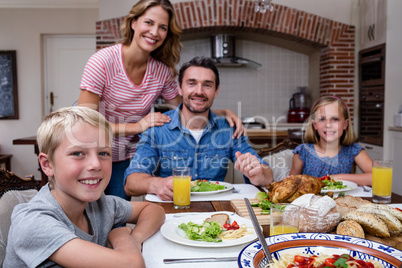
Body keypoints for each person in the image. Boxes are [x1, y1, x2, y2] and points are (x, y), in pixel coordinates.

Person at [78, 0, 244, 200]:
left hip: (124, 157)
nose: (154, 32)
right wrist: (137, 127)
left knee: (116, 221)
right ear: (133, 23)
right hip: (90, 154)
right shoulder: (102, 61)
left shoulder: (161, 72)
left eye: (162, 27)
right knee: (82, 218)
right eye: (148, 23)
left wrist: (223, 114)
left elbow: (187, 109)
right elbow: (85, 122)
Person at [3, 106, 165, 267]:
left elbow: (153, 210)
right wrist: (120, 235)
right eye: (78, 153)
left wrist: (134, 239)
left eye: (103, 153)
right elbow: (132, 264)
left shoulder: (99, 205)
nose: (95, 164)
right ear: (47, 165)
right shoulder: (35, 223)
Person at [124, 56, 274, 201]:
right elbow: (131, 183)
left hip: (217, 211)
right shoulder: (157, 129)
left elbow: (267, 177)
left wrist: (259, 173)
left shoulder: (228, 129)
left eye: (207, 85)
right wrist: (156, 184)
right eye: (191, 83)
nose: (199, 91)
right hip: (171, 210)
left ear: (216, 91)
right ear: (180, 89)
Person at [289, 95, 372, 186]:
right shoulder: (302, 152)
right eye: (322, 119)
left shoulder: (353, 150)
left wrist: (338, 178)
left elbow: (376, 177)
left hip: (343, 199)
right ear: (315, 125)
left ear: (345, 124)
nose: (328, 125)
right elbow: (291, 184)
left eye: (335, 119)